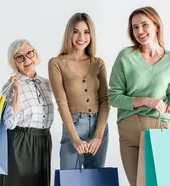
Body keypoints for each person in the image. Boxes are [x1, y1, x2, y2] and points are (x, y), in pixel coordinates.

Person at [108, 6, 170, 186]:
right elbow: (113, 97)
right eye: (135, 27)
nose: (139, 31)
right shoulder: (125, 56)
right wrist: (146, 101)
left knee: (162, 183)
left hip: (160, 128)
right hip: (130, 127)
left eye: (144, 25)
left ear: (156, 26)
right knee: (138, 184)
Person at [48, 12, 110, 169]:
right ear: (69, 33)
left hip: (99, 126)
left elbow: (105, 101)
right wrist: (74, 138)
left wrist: (98, 136)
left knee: (96, 180)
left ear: (91, 35)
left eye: (86, 32)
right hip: (73, 126)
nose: (81, 37)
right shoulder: (56, 63)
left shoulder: (98, 63)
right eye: (76, 31)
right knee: (70, 180)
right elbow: (61, 102)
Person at [0, 39, 55, 186]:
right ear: (14, 62)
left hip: (43, 141)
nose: (27, 59)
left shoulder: (47, 83)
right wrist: (17, 91)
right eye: (20, 57)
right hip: (21, 142)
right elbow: (9, 124)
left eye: (29, 53)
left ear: (35, 53)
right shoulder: (12, 84)